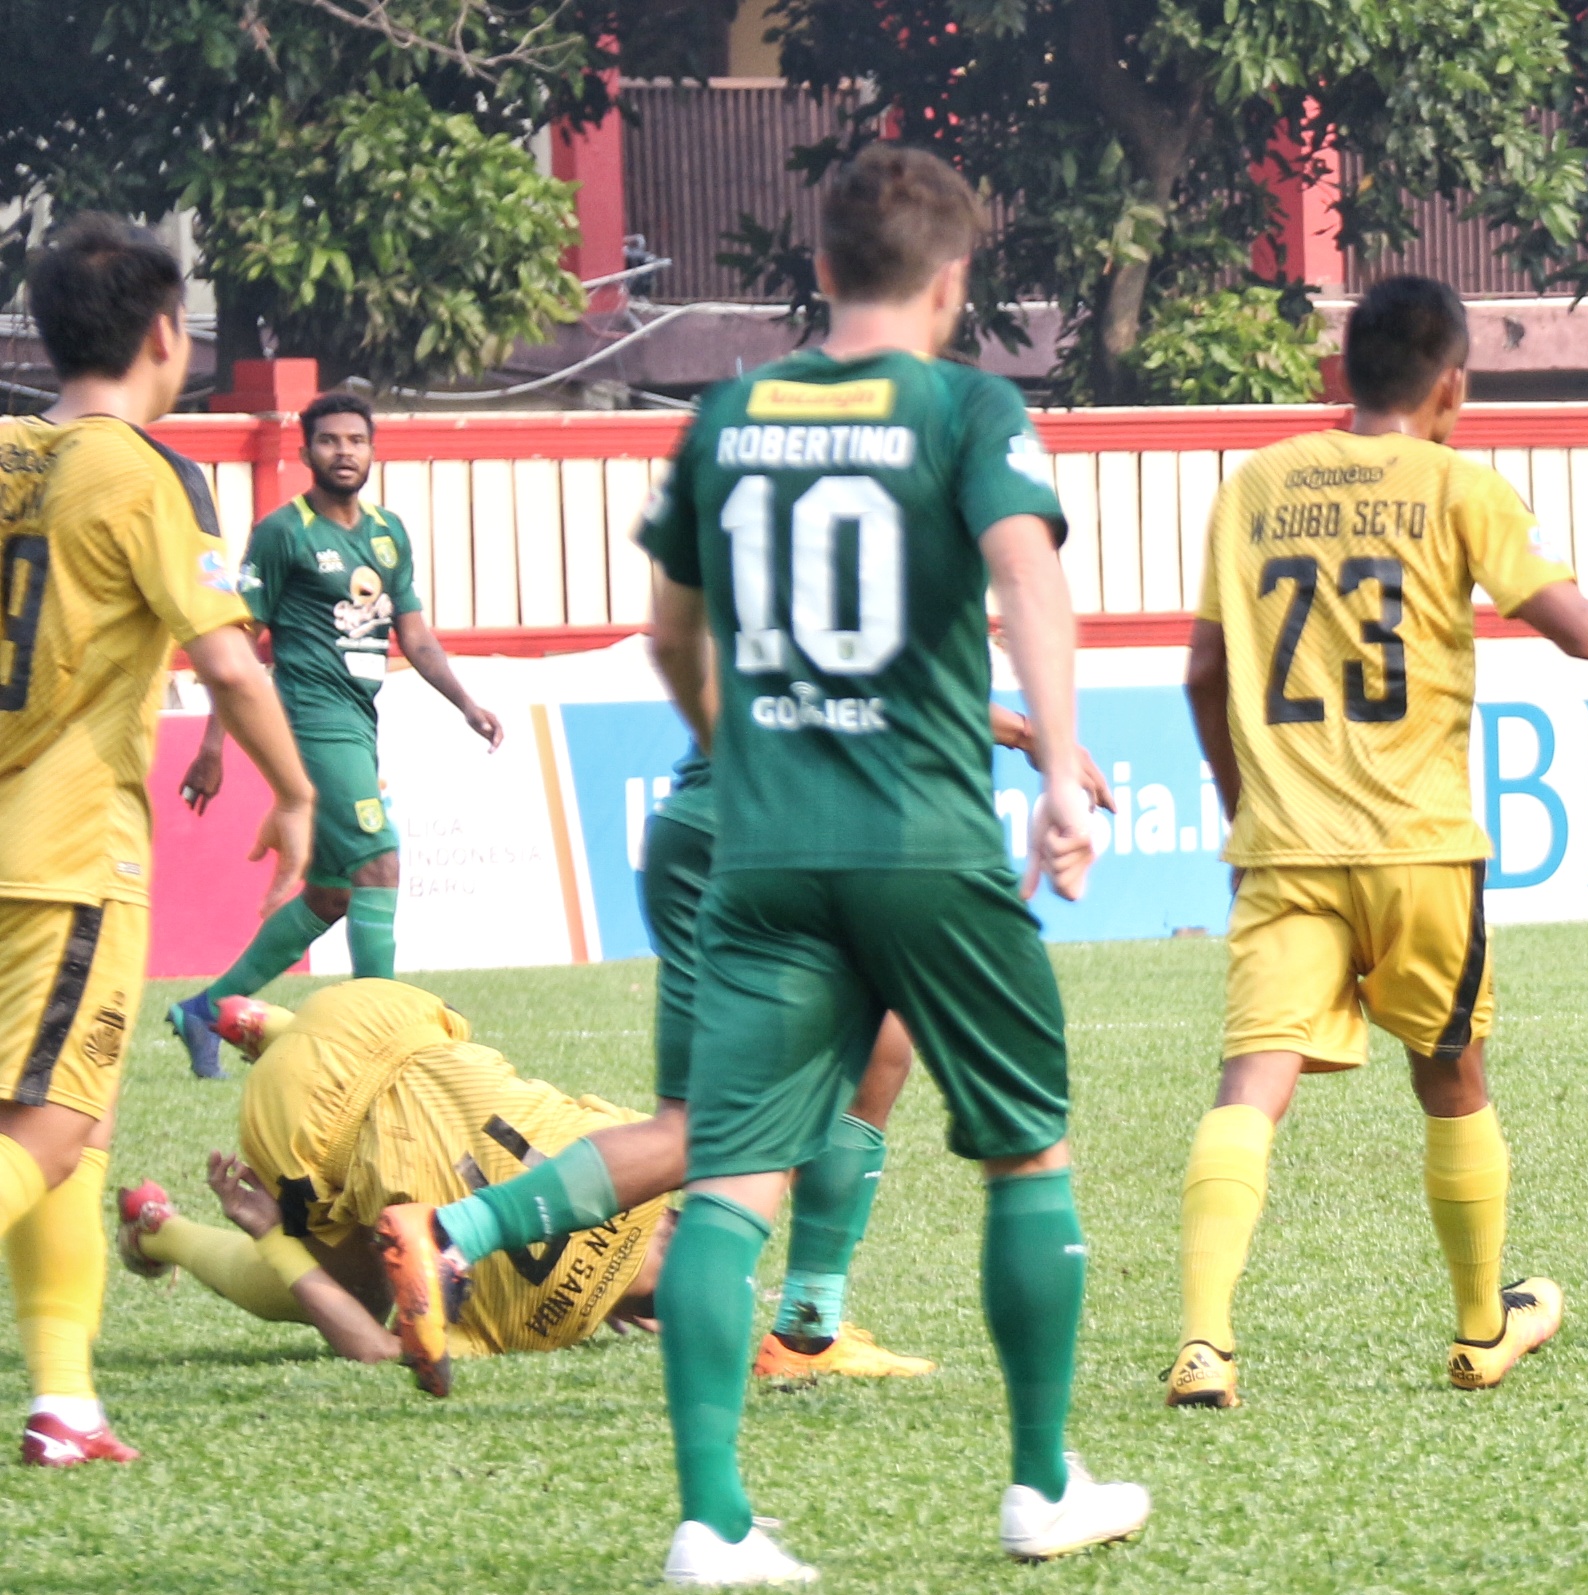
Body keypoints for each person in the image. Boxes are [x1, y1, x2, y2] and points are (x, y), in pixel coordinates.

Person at [1165, 276, 1588, 1412]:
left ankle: (1205, 1343)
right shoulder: (1459, 486)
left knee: (1250, 1086)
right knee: (1454, 1078)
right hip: (1421, 846)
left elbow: (1203, 674)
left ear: (1345, 373)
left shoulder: (1254, 485)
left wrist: (1244, 807)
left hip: (1286, 848)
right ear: (1453, 384)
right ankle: (1481, 1329)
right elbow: (1583, 631)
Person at [642, 142, 1145, 1585]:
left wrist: (732, 746)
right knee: (1023, 1146)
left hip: (763, 844)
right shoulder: (966, 406)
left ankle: (711, 1522)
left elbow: (676, 634)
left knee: (729, 1174)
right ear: (952, 282)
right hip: (921, 837)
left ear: (818, 273)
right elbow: (1026, 575)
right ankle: (1041, 1484)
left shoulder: (724, 417)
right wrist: (1056, 765)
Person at [367, 701, 1110, 1396]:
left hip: (700, 829)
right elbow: (892, 693)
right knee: (719, 1136)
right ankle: (456, 1232)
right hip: (783, 842)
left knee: (876, 1048)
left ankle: (810, 1330)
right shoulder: (887, 570)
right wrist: (1023, 735)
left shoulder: (759, 562)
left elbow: (696, 645)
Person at [0, 215, 314, 1466]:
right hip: (67, 856)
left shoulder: (9, 451)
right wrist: (295, 797)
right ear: (167, 335)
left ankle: (67, 1403)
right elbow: (229, 663)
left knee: (73, 1124)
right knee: (51, 1121)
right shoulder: (142, 474)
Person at [167, 393, 502, 1079]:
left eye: (356, 440)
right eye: (329, 441)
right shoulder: (282, 533)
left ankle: (203, 1010)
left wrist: (465, 702)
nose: (344, 452)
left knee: (333, 895)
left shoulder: (388, 534)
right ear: (305, 451)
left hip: (358, 720)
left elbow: (414, 635)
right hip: (307, 722)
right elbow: (239, 641)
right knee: (379, 860)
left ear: (372, 450)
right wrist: (212, 745)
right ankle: (384, 1041)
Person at [112, 987, 675, 1367]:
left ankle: (269, 1025)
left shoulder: (633, 1144)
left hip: (382, 1012)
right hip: (296, 1113)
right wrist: (272, 1239)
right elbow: (375, 1348)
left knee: (457, 1079)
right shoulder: (536, 1327)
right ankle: (158, 1229)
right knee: (363, 1292)